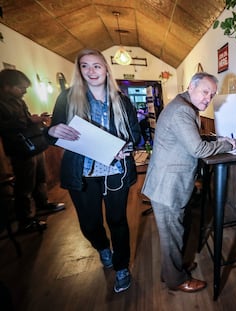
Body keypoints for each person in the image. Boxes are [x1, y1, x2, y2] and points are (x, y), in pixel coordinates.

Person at [47, 49, 141, 293]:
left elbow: (136, 136)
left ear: (106, 69)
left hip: (114, 172)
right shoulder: (67, 98)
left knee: (118, 220)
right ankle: (102, 247)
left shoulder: (122, 100)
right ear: (79, 70)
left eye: (97, 66)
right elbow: (53, 133)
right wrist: (52, 131)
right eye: (85, 66)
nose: (92, 71)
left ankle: (121, 267)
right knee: (89, 224)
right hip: (82, 173)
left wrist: (125, 148)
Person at [142, 72, 236, 292]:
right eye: (205, 92)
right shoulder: (183, 110)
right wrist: (229, 145)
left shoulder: (181, 105)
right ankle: (176, 280)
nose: (208, 98)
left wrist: (215, 139)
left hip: (166, 183)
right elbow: (197, 149)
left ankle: (172, 269)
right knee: (172, 236)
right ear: (191, 87)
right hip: (168, 186)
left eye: (212, 94)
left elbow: (188, 139)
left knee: (173, 233)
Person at [0, 69, 65, 234]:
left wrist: (35, 118)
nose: (24, 91)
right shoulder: (2, 103)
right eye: (20, 87)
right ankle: (26, 220)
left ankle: (43, 204)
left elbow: (24, 119)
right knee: (25, 186)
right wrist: (31, 120)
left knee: (40, 178)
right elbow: (7, 126)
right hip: (20, 149)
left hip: (34, 144)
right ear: (7, 86)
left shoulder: (19, 101)